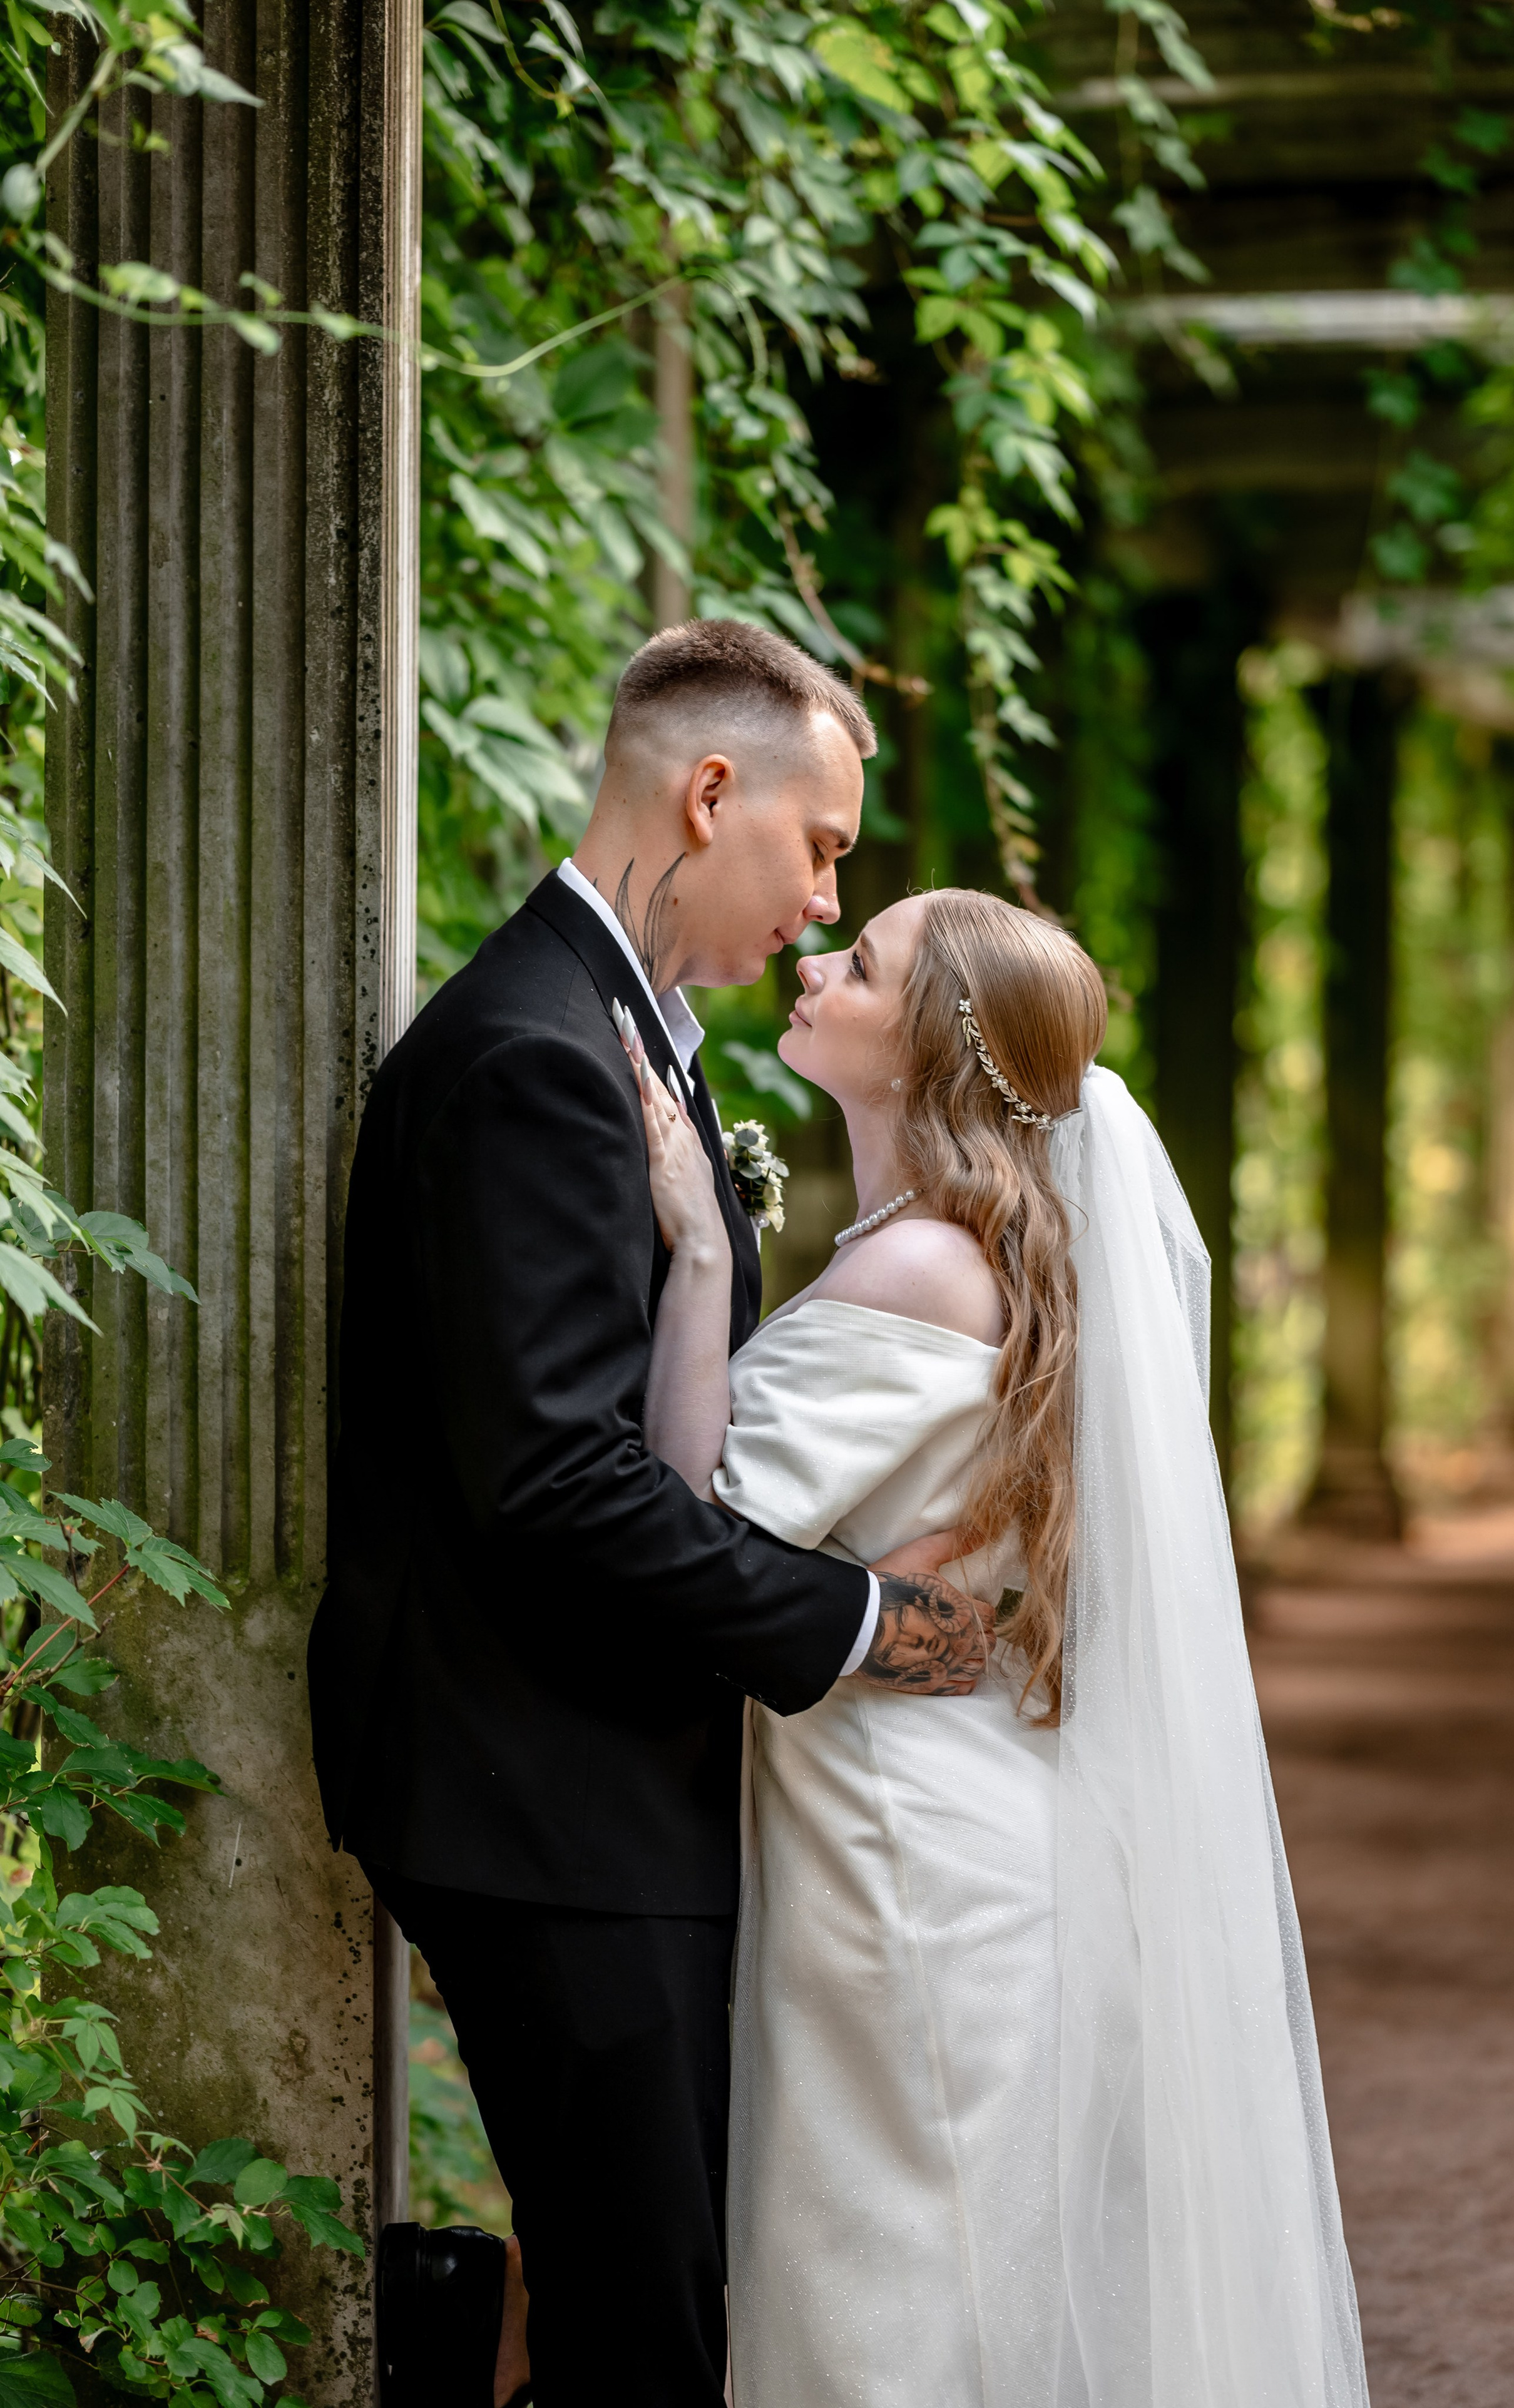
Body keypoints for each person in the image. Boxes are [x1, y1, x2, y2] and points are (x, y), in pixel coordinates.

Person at [306, 622, 993, 2408]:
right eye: (823, 843)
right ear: (710, 794)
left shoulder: (628, 1031)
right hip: (543, 1793)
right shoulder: (535, 1053)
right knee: (648, 2324)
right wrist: (859, 1630)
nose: (828, 891)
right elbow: (556, 1481)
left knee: (649, 2302)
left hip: (607, 1778)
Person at [627, 885, 1373, 2407]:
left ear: (922, 1048)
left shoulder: (918, 1269)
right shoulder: (997, 1250)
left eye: (866, 961)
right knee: (970, 2281)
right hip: (972, 1823)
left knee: (888, 2287)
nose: (819, 960)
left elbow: (687, 1520)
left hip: (897, 1844)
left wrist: (700, 1257)